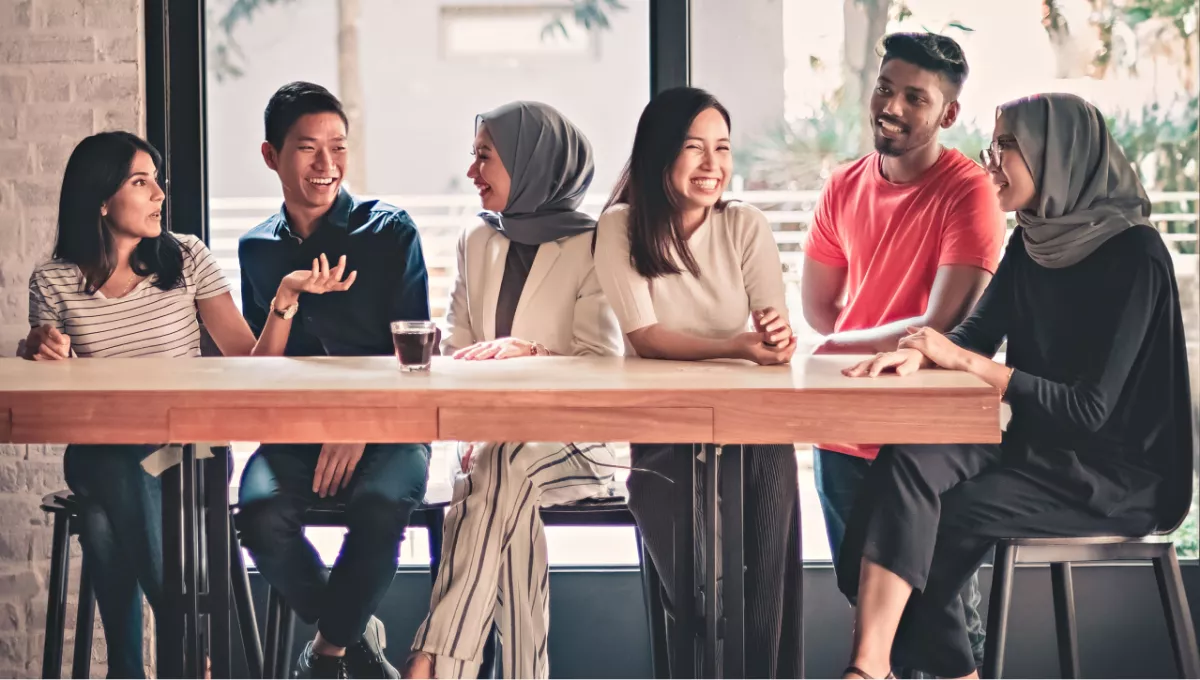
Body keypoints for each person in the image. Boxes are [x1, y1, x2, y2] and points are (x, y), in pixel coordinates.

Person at [836, 92, 1191, 679]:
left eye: (1007, 146)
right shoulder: (1032, 241)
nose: (989, 162)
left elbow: (1089, 409)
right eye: (992, 145)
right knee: (909, 460)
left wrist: (969, 365)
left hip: (1115, 477)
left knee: (945, 515)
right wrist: (919, 356)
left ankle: (942, 672)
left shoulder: (1136, 253)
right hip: (1036, 448)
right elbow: (976, 335)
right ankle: (870, 667)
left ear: (1057, 154)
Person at [22, 131, 351, 677]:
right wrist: (38, 347)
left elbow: (250, 362)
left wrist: (284, 301)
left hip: (188, 457)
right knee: (109, 462)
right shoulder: (54, 281)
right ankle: (188, 653)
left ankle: (136, 669)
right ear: (101, 198)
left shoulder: (186, 257)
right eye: (140, 181)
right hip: (105, 452)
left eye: (158, 181)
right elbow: (48, 368)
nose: (158, 195)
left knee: (103, 521)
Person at [801, 32, 1004, 673]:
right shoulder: (842, 185)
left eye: (914, 97)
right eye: (886, 88)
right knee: (869, 602)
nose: (891, 105)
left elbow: (942, 326)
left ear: (947, 114)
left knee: (936, 606)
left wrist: (838, 347)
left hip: (925, 430)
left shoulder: (969, 190)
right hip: (845, 428)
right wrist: (850, 345)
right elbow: (817, 306)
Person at [404, 100, 624, 680]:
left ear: (533, 164)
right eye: (473, 156)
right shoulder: (476, 241)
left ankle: (436, 658)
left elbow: (606, 366)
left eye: (485, 157)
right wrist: (482, 426)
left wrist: (534, 353)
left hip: (582, 443)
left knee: (501, 471)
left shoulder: (597, 245)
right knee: (506, 477)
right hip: (498, 446)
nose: (472, 172)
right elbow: (458, 353)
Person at [593, 86, 802, 678]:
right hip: (663, 424)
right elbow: (647, 338)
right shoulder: (620, 226)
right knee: (697, 596)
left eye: (723, 149)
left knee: (764, 576)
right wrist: (738, 346)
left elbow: (774, 336)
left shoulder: (746, 225)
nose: (713, 165)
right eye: (694, 148)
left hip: (747, 420)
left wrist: (778, 338)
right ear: (661, 155)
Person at [235, 81, 432, 679]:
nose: (327, 165)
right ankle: (351, 634)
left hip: (390, 427)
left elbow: (415, 359)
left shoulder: (391, 231)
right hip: (294, 431)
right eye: (307, 148)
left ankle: (326, 653)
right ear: (272, 155)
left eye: (338, 147)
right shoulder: (256, 250)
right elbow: (260, 370)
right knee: (259, 516)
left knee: (377, 506)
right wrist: (284, 300)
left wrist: (358, 422)